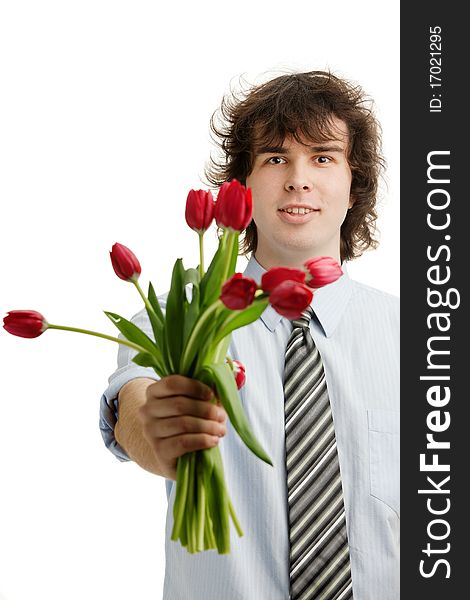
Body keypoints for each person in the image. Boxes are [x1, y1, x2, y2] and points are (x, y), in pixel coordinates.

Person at [99, 70, 399, 599]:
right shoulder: (180, 315)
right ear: (241, 185)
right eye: (276, 158)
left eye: (323, 157)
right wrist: (159, 428)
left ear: (354, 184)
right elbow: (134, 403)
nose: (298, 179)